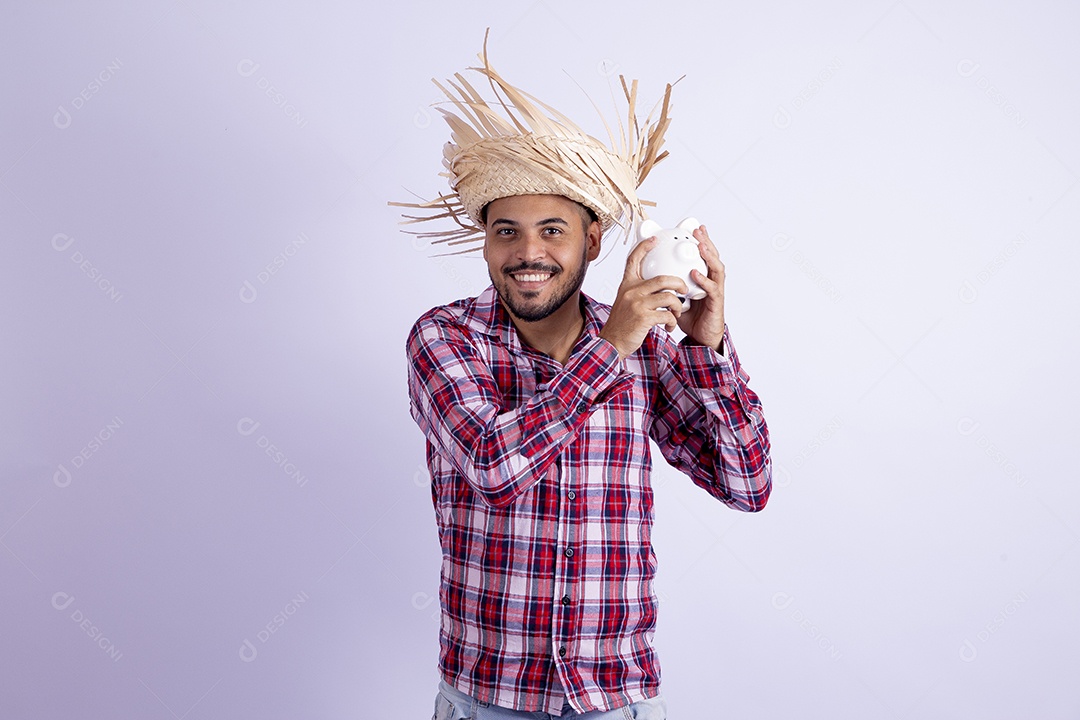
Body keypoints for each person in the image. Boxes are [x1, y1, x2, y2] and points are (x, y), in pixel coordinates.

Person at [397, 38, 771, 720]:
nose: (528, 252)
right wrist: (614, 343)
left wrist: (708, 345)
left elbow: (747, 485)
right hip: (490, 699)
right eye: (506, 231)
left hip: (616, 702)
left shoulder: (651, 347)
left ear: (592, 242)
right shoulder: (445, 337)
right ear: (486, 239)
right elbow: (495, 467)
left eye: (552, 230)